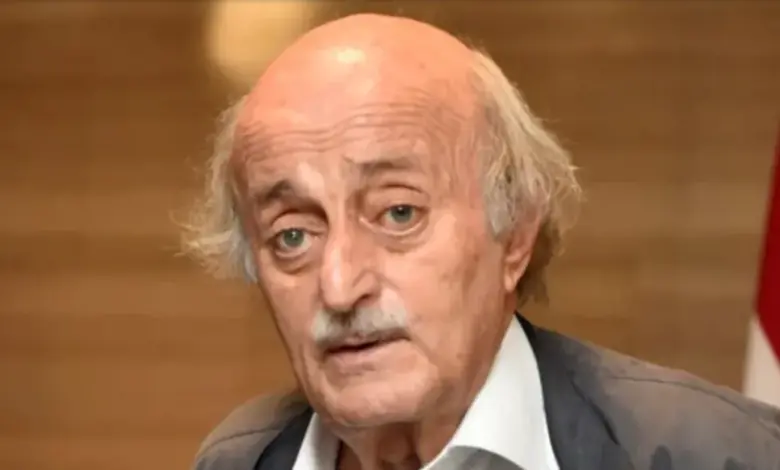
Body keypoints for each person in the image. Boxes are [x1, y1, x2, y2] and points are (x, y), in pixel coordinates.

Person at [181, 13, 780, 470]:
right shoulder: (240, 460)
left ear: (515, 233)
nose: (339, 287)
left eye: (398, 213)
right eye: (292, 236)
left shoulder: (727, 455)